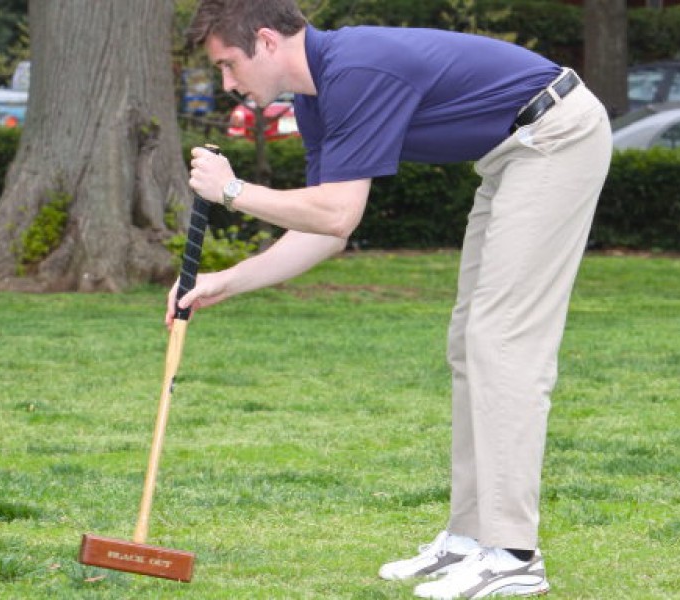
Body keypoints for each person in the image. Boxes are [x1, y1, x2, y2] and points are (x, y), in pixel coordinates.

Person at [169, 1, 612, 597]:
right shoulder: (318, 97)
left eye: (227, 65)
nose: (226, 83)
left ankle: (513, 554)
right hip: (511, 156)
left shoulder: (356, 72)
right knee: (469, 343)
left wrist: (230, 189)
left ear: (267, 42)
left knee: (501, 340)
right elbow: (331, 231)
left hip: (557, 135)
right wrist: (226, 280)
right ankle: (470, 536)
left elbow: (335, 210)